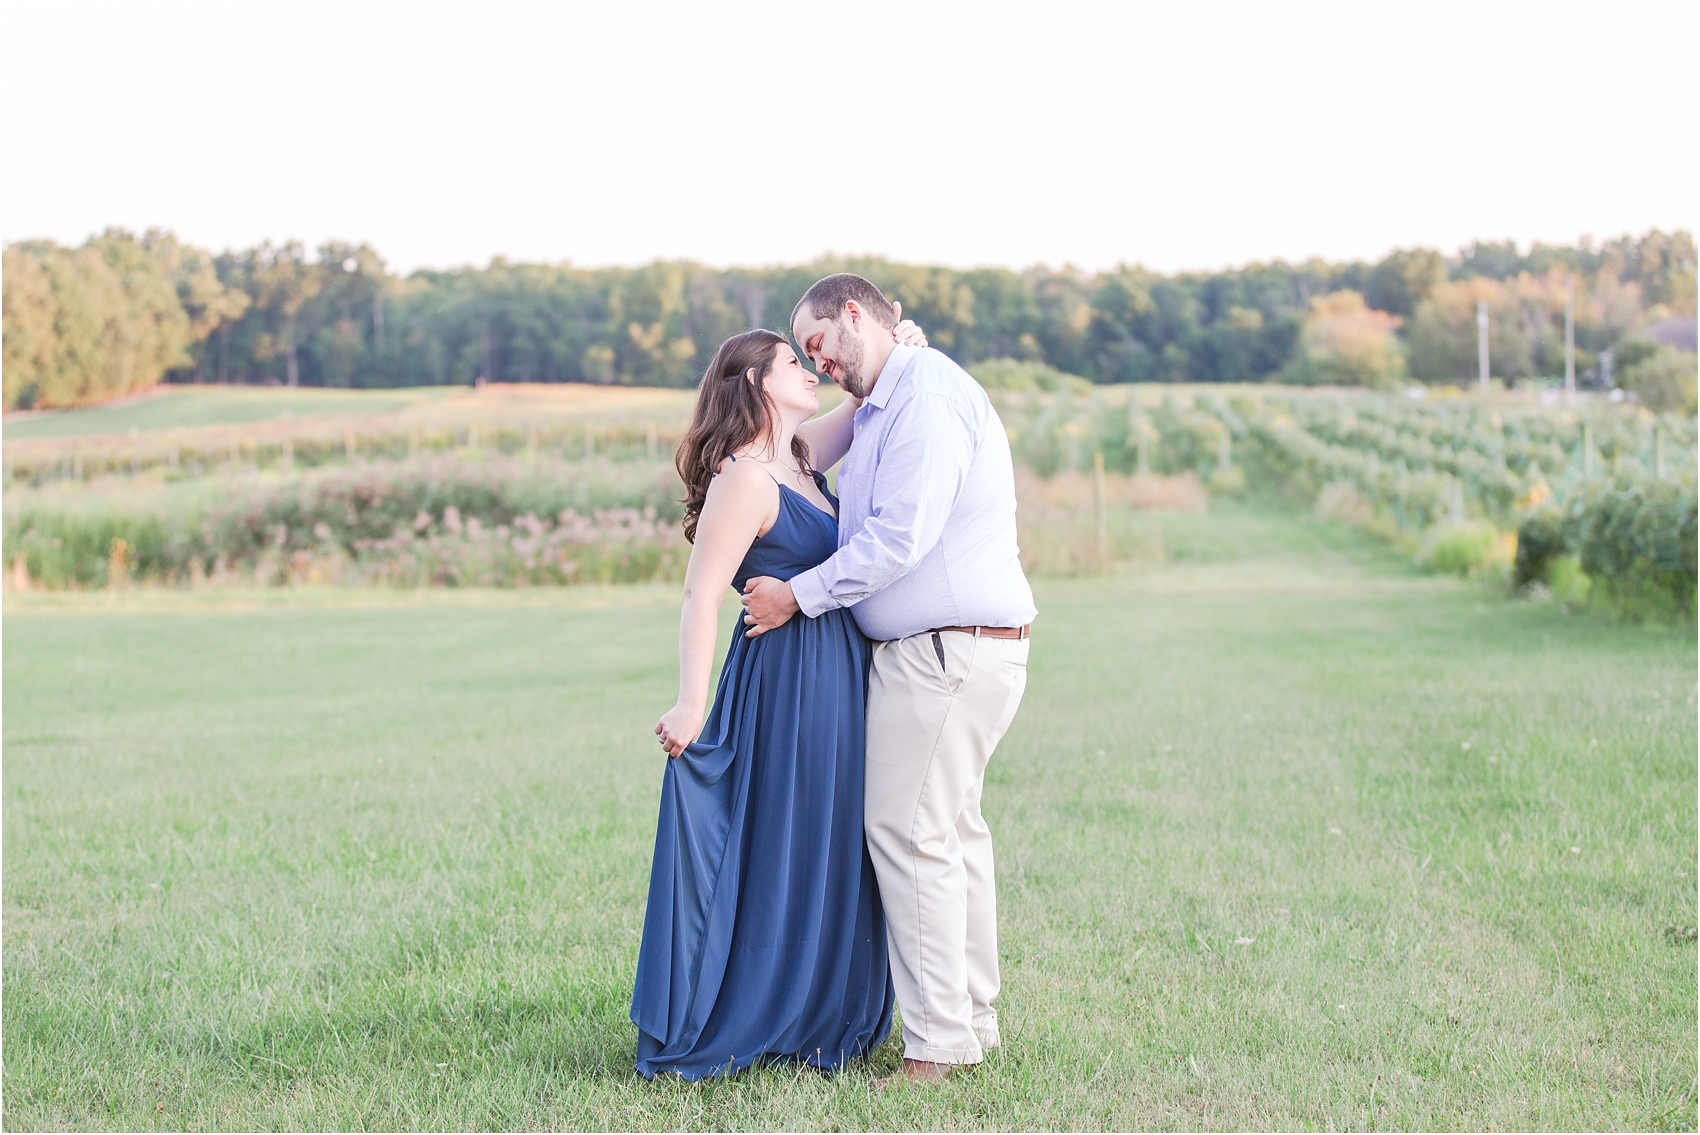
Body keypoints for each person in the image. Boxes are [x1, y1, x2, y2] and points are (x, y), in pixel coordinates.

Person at [741, 274, 1036, 1086]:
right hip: (949, 649)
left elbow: (900, 539)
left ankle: (936, 1044)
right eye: (804, 356)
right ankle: (970, 1020)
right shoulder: (884, 401)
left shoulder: (928, 397)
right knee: (951, 835)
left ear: (853, 315)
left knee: (909, 837)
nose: (818, 361)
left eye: (820, 344)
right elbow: (797, 453)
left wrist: (796, 595)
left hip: (945, 651)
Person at [631, 313, 929, 1080]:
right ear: (757, 383)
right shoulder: (744, 476)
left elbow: (861, 413)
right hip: (787, 682)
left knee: (834, 835)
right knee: (789, 834)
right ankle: (765, 1005)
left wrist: (902, 351)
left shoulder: (798, 458)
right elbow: (701, 595)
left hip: (841, 677)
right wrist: (690, 703)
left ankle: (823, 1005)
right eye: (790, 361)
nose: (809, 368)